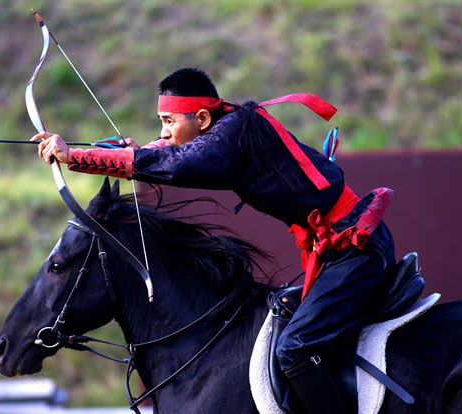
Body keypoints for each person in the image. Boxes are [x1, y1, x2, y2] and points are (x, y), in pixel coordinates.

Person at [31, 67, 396, 413]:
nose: (163, 133)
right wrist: (96, 152)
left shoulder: (230, 138)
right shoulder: (230, 129)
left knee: (295, 349)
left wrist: (74, 156)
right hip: (338, 250)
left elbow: (178, 162)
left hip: (355, 250)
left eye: (169, 122)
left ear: (202, 120)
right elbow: (170, 153)